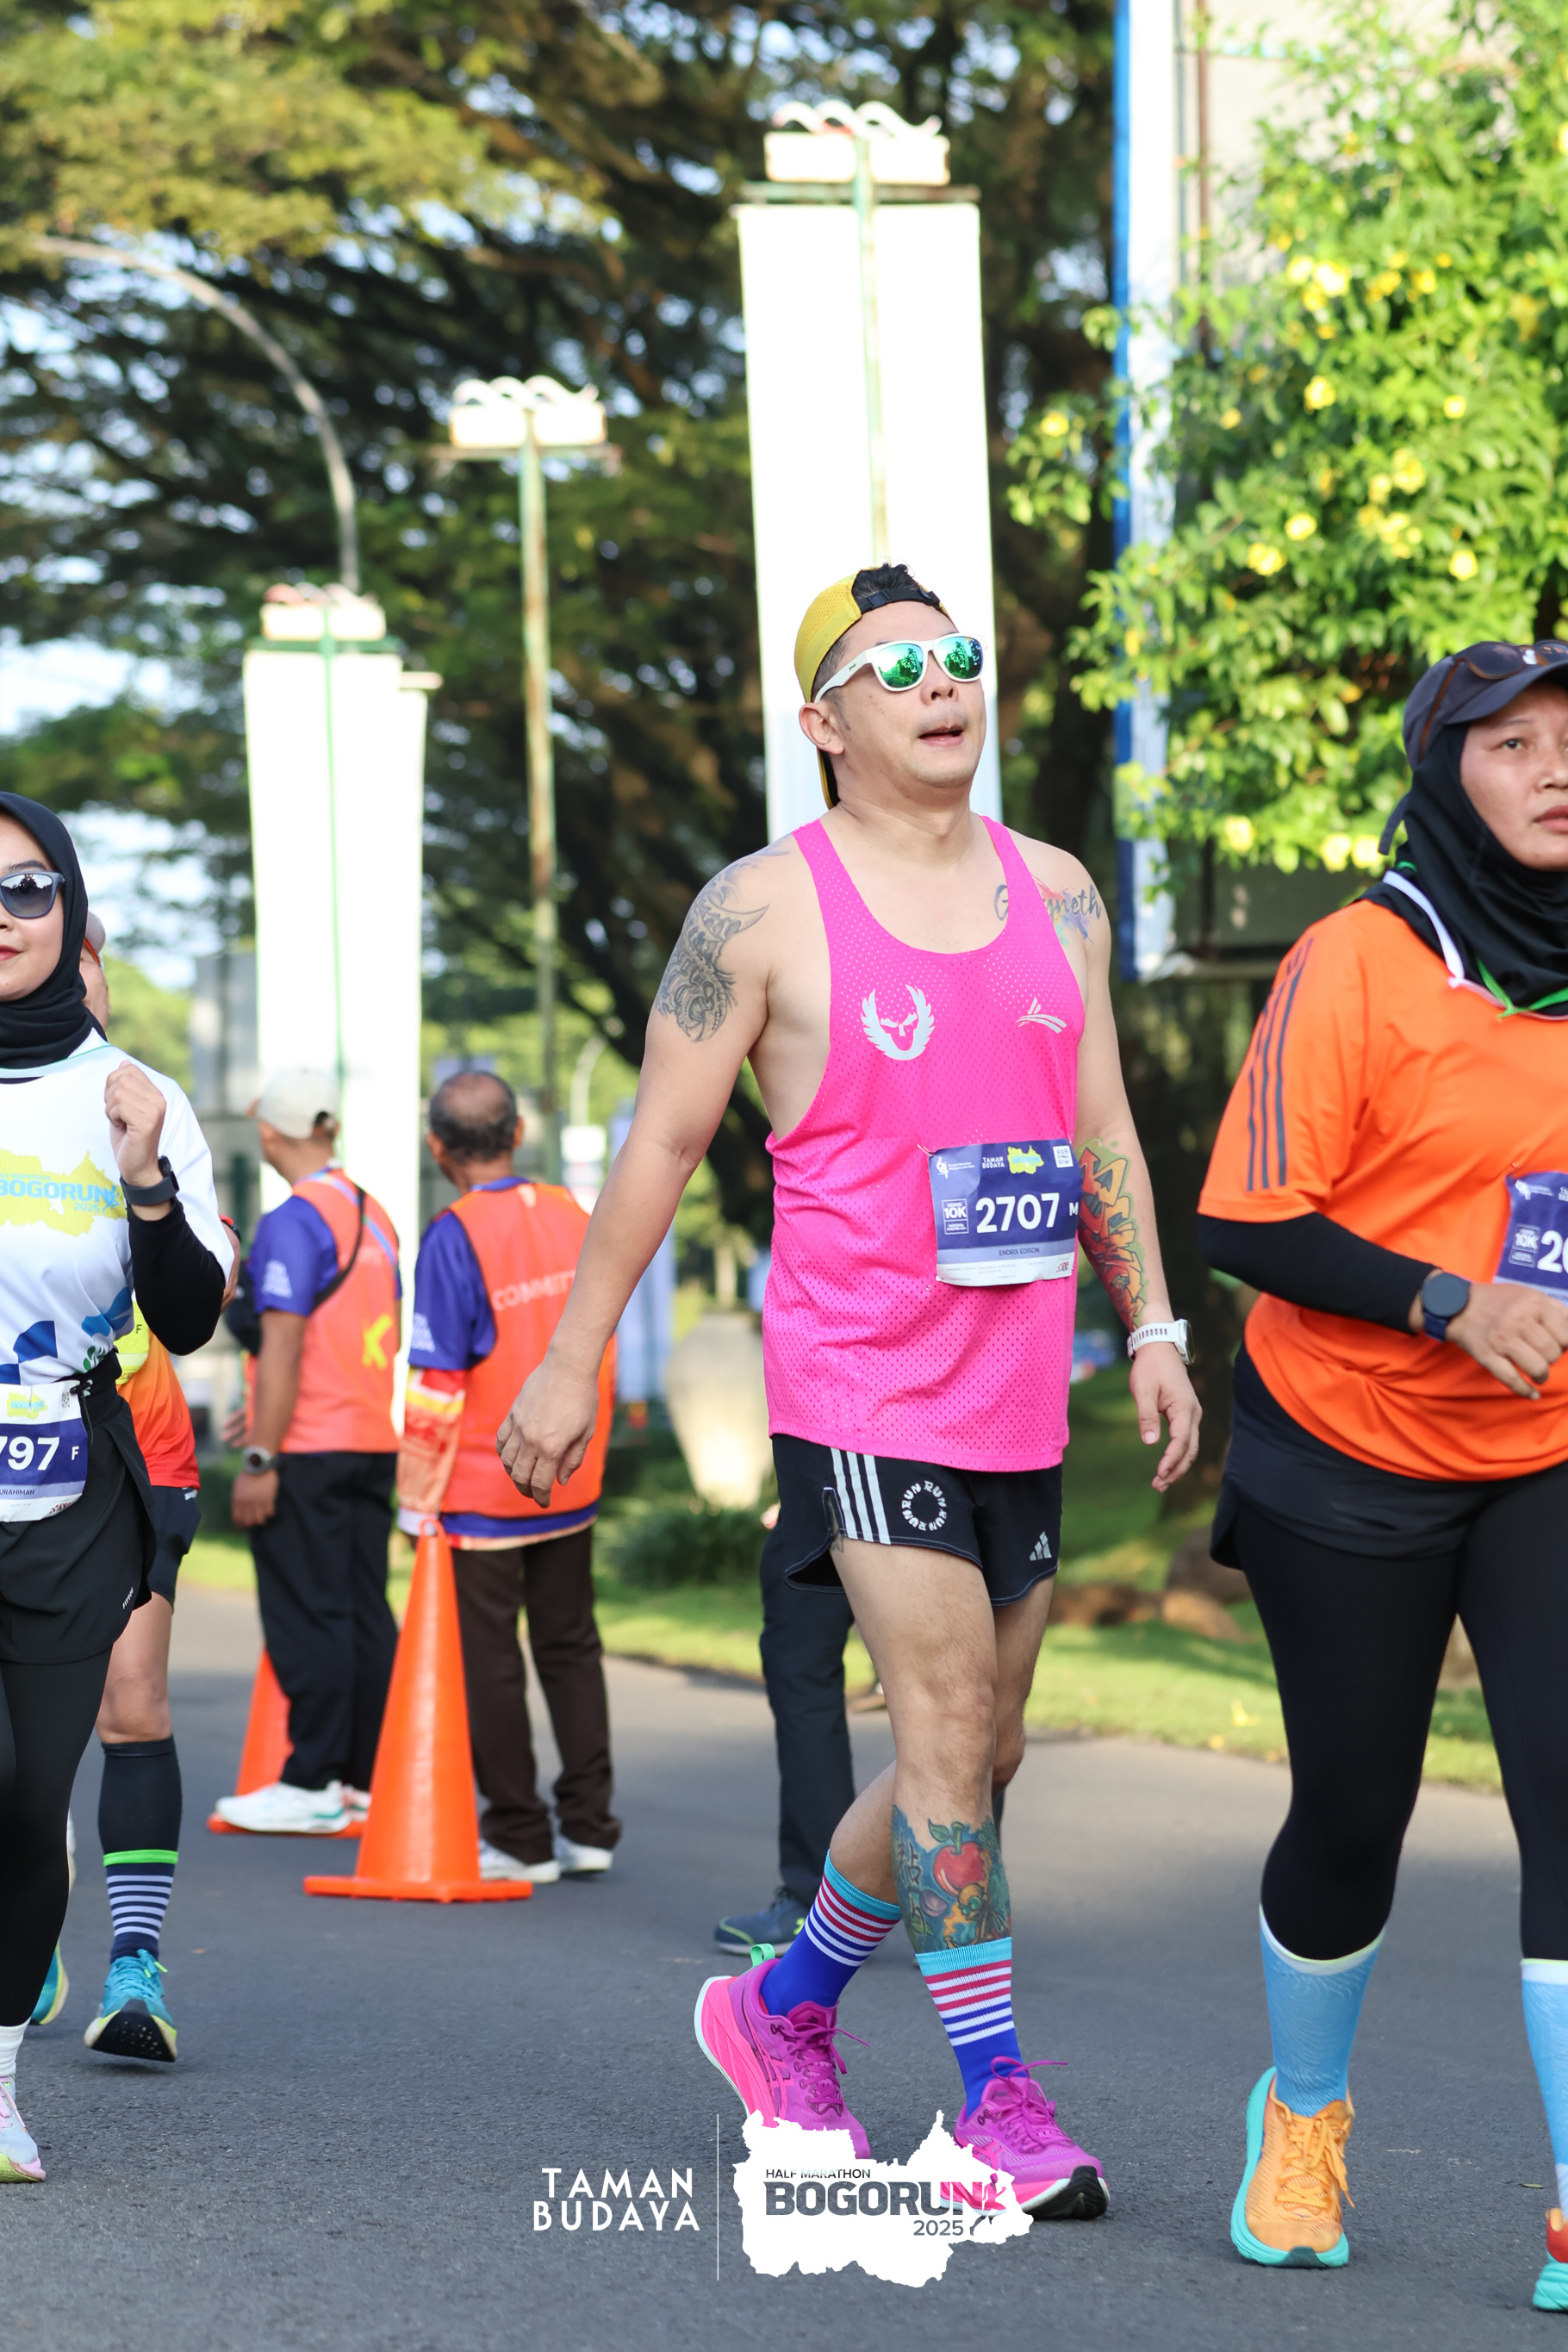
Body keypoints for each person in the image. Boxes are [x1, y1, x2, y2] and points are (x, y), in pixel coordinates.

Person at [498, 562, 1199, 2215]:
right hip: (861, 1380)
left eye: (958, 657)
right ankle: (997, 2106)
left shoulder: (1062, 894)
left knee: (987, 1749)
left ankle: (784, 2005)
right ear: (825, 724)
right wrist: (570, 1358)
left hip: (1020, 1384)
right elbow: (662, 1144)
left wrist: (1155, 1326)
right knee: (943, 1726)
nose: (943, 684)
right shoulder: (760, 910)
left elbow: (1102, 1123)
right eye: (898, 670)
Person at [1198, 641, 1568, 2300]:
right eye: (1514, 745)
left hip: (1547, 1443)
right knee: (1357, 1813)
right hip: (1347, 1444)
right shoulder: (1360, 958)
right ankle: (1303, 2113)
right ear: (1445, 774)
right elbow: (1247, 1219)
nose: (1556, 771)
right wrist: (1446, 1300)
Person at [0, 793, 226, 2181]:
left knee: (44, 1793)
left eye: (28, 890)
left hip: (85, 1482)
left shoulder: (136, 1097)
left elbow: (190, 1315)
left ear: (72, 916)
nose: (4, 917)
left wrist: (145, 1184)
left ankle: (11, 2067)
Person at [30, 924, 241, 2063]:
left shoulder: (150, 1110)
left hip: (137, 1448)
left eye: (88, 958)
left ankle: (135, 1967)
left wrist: (150, 1179)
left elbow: (201, 1290)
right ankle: (28, 1915)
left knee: (131, 1702)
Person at [396, 1070, 619, 1882]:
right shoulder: (574, 1212)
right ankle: (589, 1828)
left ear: (437, 1147)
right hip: (573, 1477)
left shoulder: (452, 1234)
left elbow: (436, 1382)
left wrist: (414, 1501)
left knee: (489, 1661)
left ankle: (521, 1837)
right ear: (518, 1133)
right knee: (572, 1647)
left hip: (483, 1490)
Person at [215, 1070, 401, 1836]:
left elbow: (286, 1343)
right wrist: (265, 1412)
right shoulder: (374, 1213)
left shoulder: (294, 1220)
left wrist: (262, 1456)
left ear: (270, 1133)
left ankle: (312, 1781)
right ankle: (363, 1779)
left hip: (309, 1448)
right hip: (370, 1439)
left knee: (308, 1615)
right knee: (362, 1611)